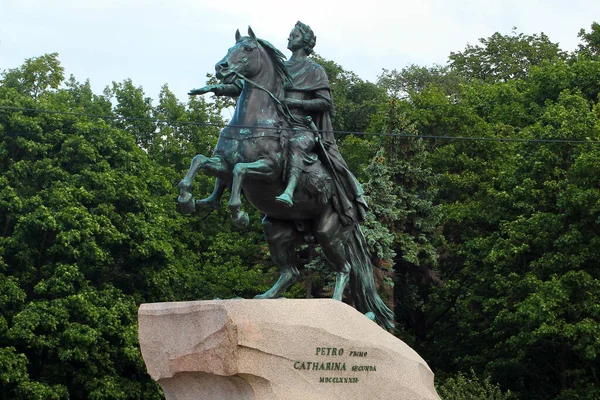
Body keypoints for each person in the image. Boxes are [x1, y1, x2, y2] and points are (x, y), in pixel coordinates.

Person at [189, 21, 367, 224]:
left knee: (297, 143)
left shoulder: (314, 69)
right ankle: (216, 195)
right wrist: (215, 88)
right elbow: (246, 87)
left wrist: (292, 102)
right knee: (233, 143)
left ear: (306, 42)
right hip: (275, 122)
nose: (290, 38)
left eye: (295, 35)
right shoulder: (280, 67)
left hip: (300, 125)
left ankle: (289, 191)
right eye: (290, 35)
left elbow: (325, 102)